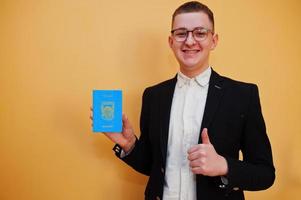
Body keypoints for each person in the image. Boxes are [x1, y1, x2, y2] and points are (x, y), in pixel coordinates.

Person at [93, 1, 275, 199]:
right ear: (171, 41)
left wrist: (224, 165)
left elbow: (265, 174)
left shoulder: (242, 95)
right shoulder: (153, 96)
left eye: (200, 32)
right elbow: (153, 167)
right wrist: (129, 145)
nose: (189, 41)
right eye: (181, 33)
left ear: (213, 40)